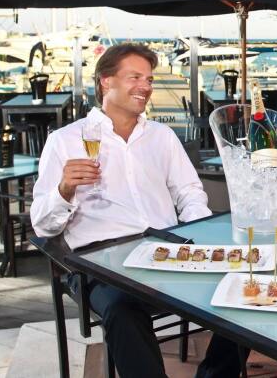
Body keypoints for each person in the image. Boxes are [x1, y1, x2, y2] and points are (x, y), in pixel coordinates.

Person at [31, 44, 246, 378]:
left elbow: (189, 193)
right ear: (106, 81)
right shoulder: (65, 140)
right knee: (123, 310)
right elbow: (43, 226)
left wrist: (200, 239)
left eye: (149, 79)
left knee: (244, 285)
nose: (145, 86)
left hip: (166, 251)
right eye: (135, 77)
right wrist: (64, 189)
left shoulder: (162, 136)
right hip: (100, 261)